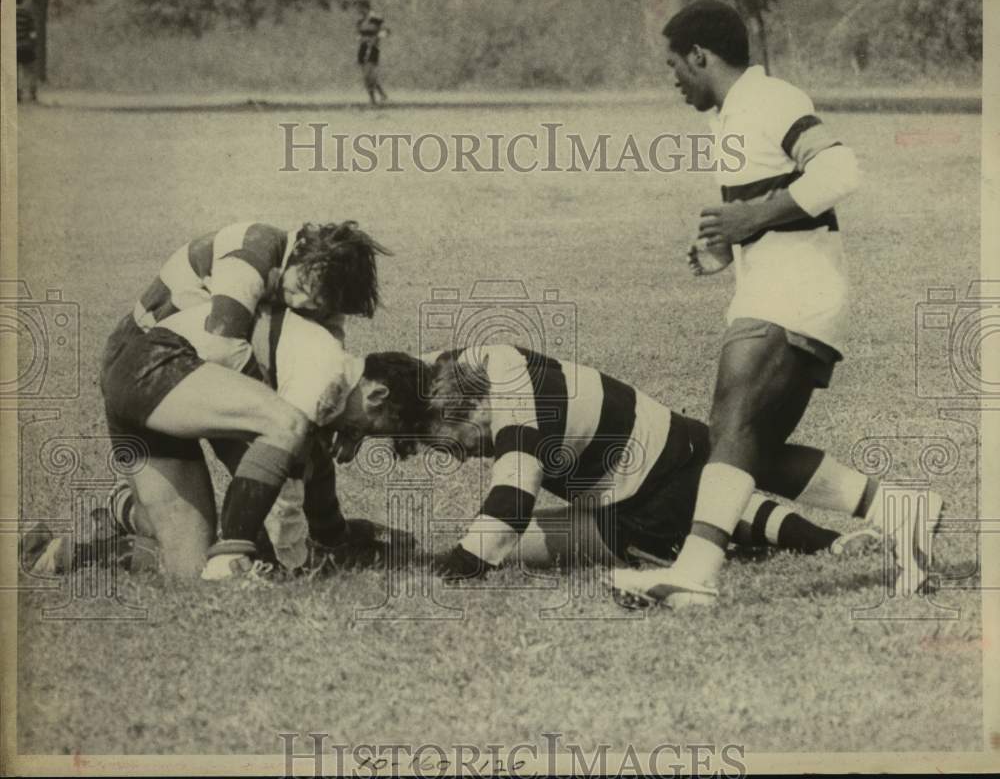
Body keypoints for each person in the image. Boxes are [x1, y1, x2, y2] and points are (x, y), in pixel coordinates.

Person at [620, 0, 941, 609]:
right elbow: (774, 208)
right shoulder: (733, 116)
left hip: (793, 294)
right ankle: (900, 510)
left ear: (699, 56)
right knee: (749, 451)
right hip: (778, 289)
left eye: (673, 65)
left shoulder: (771, 100)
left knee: (733, 427)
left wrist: (751, 218)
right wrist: (729, 247)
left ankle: (695, 572)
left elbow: (840, 169)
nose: (673, 80)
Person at [333, 345, 881, 581]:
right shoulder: (458, 368)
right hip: (650, 465)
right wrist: (356, 421)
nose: (471, 452)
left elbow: (513, 497)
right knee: (715, 497)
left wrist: (458, 567)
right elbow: (404, 378)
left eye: (466, 442)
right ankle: (829, 541)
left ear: (476, 411)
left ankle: (825, 541)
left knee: (701, 509)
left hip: (651, 484)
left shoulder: (517, 409)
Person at [26, 303, 422, 581]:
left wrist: (341, 539)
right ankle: (231, 551)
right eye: (372, 428)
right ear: (377, 395)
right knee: (281, 465)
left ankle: (101, 528)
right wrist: (296, 562)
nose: (359, 436)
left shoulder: (323, 373)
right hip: (158, 368)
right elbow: (287, 489)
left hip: (141, 380)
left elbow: (311, 474)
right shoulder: (324, 379)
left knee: (187, 568)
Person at [97, 220, 390, 579]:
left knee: (189, 567)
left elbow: (324, 375)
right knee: (282, 445)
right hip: (151, 367)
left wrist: (344, 425)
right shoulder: (253, 250)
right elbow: (222, 348)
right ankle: (289, 550)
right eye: (301, 288)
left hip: (191, 375)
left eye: (316, 305)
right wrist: (275, 411)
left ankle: (123, 511)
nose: (299, 304)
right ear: (299, 251)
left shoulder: (324, 289)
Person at [355, 0, 389, 106]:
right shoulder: (360, 21)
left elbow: (386, 31)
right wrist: (360, 38)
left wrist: (377, 37)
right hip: (363, 47)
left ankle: (374, 98)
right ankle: (379, 95)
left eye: (359, 8)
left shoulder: (376, 18)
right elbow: (358, 34)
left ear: (365, 8)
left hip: (373, 48)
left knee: (369, 74)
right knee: (366, 75)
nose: (358, 10)